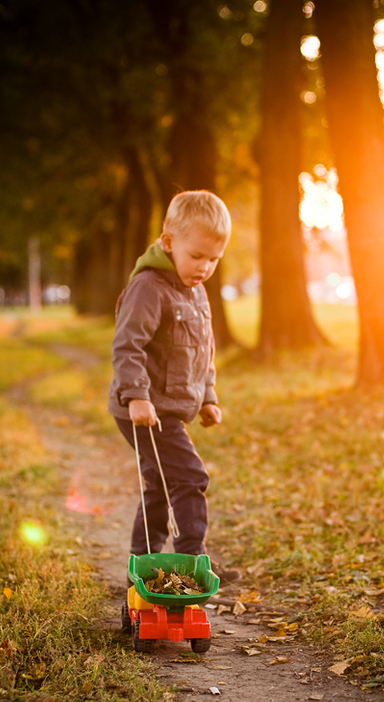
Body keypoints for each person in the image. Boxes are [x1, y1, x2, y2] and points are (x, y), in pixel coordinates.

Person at [108, 190, 240, 584]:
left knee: (160, 485)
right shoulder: (148, 287)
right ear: (168, 242)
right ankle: (193, 562)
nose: (205, 267)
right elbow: (127, 345)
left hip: (167, 407)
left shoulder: (195, 290)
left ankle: (142, 565)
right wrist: (136, 396)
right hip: (145, 410)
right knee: (190, 477)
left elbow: (203, 350)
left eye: (213, 259)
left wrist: (207, 397)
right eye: (197, 256)